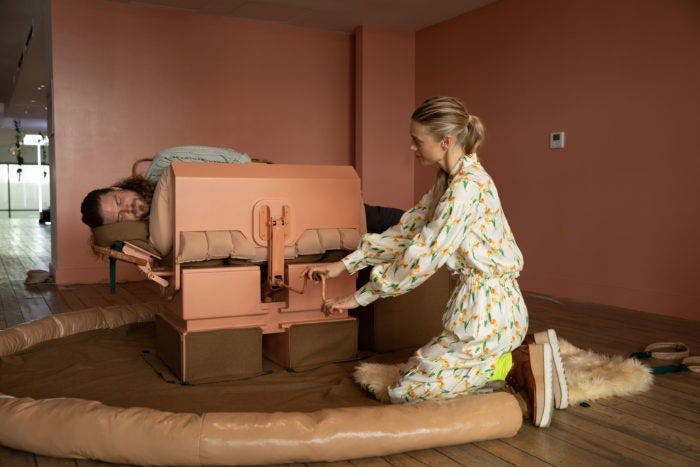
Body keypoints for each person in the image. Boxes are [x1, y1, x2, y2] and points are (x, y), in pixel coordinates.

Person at [305, 96, 564, 427]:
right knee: (414, 374)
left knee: (406, 391)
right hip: (480, 311)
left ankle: (514, 365)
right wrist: (346, 264)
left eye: (417, 140)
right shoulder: (449, 181)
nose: (412, 148)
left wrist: (360, 297)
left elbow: (423, 255)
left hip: (491, 314)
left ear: (445, 142)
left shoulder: (465, 189)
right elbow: (406, 233)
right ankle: (504, 360)